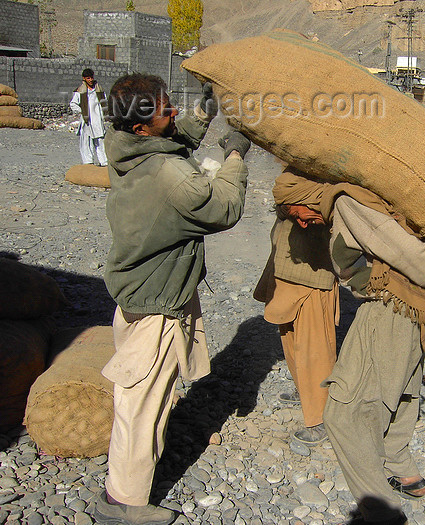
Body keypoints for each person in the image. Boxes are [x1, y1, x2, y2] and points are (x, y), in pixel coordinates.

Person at [273, 171, 425, 525]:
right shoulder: (344, 206)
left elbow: (408, 251)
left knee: (342, 415)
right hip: (411, 306)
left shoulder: (347, 205)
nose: (297, 220)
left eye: (293, 209)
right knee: (402, 390)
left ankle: (380, 513)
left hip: (389, 310)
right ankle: (405, 473)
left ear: (306, 195)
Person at [95, 73, 251, 525]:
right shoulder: (169, 176)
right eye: (165, 107)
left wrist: (205, 106)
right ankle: (124, 502)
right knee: (140, 407)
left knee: (145, 398)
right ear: (142, 127)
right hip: (156, 308)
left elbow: (176, 136)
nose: (172, 111)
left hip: (138, 293)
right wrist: (236, 153)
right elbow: (223, 207)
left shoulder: (123, 144)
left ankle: (125, 488)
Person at [253, 168, 339, 445]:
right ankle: (305, 389)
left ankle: (321, 417)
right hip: (285, 269)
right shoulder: (294, 176)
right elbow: (283, 197)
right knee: (289, 337)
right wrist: (290, 210)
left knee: (316, 349)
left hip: (314, 276)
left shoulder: (332, 184)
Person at [70, 68, 108, 166]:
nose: (90, 80)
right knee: (86, 141)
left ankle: (104, 162)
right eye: (88, 78)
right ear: (84, 79)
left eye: (91, 78)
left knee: (100, 141)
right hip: (87, 120)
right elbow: (73, 104)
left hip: (97, 119)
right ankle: (88, 162)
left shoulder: (99, 90)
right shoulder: (80, 91)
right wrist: (82, 111)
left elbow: (104, 102)